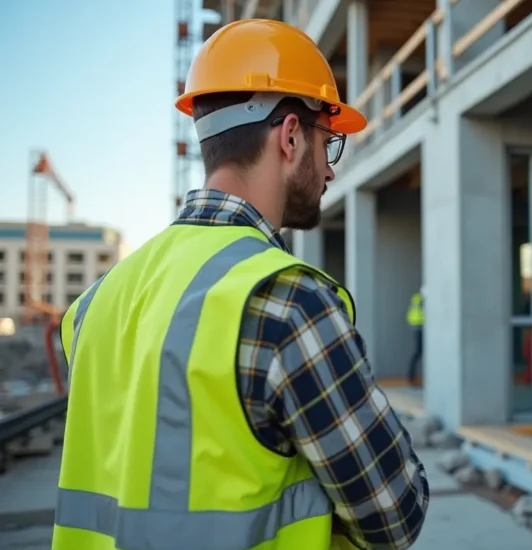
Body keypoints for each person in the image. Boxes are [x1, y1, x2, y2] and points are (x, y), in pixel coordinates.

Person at [52, 19, 429, 550]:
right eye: (330, 143)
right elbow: (394, 514)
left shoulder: (95, 304)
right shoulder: (289, 302)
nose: (330, 170)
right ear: (291, 136)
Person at [406, 287, 424, 384]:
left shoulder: (416, 298)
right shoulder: (422, 300)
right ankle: (412, 377)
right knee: (419, 352)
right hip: (421, 326)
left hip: (416, 326)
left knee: (418, 352)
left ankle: (411, 377)